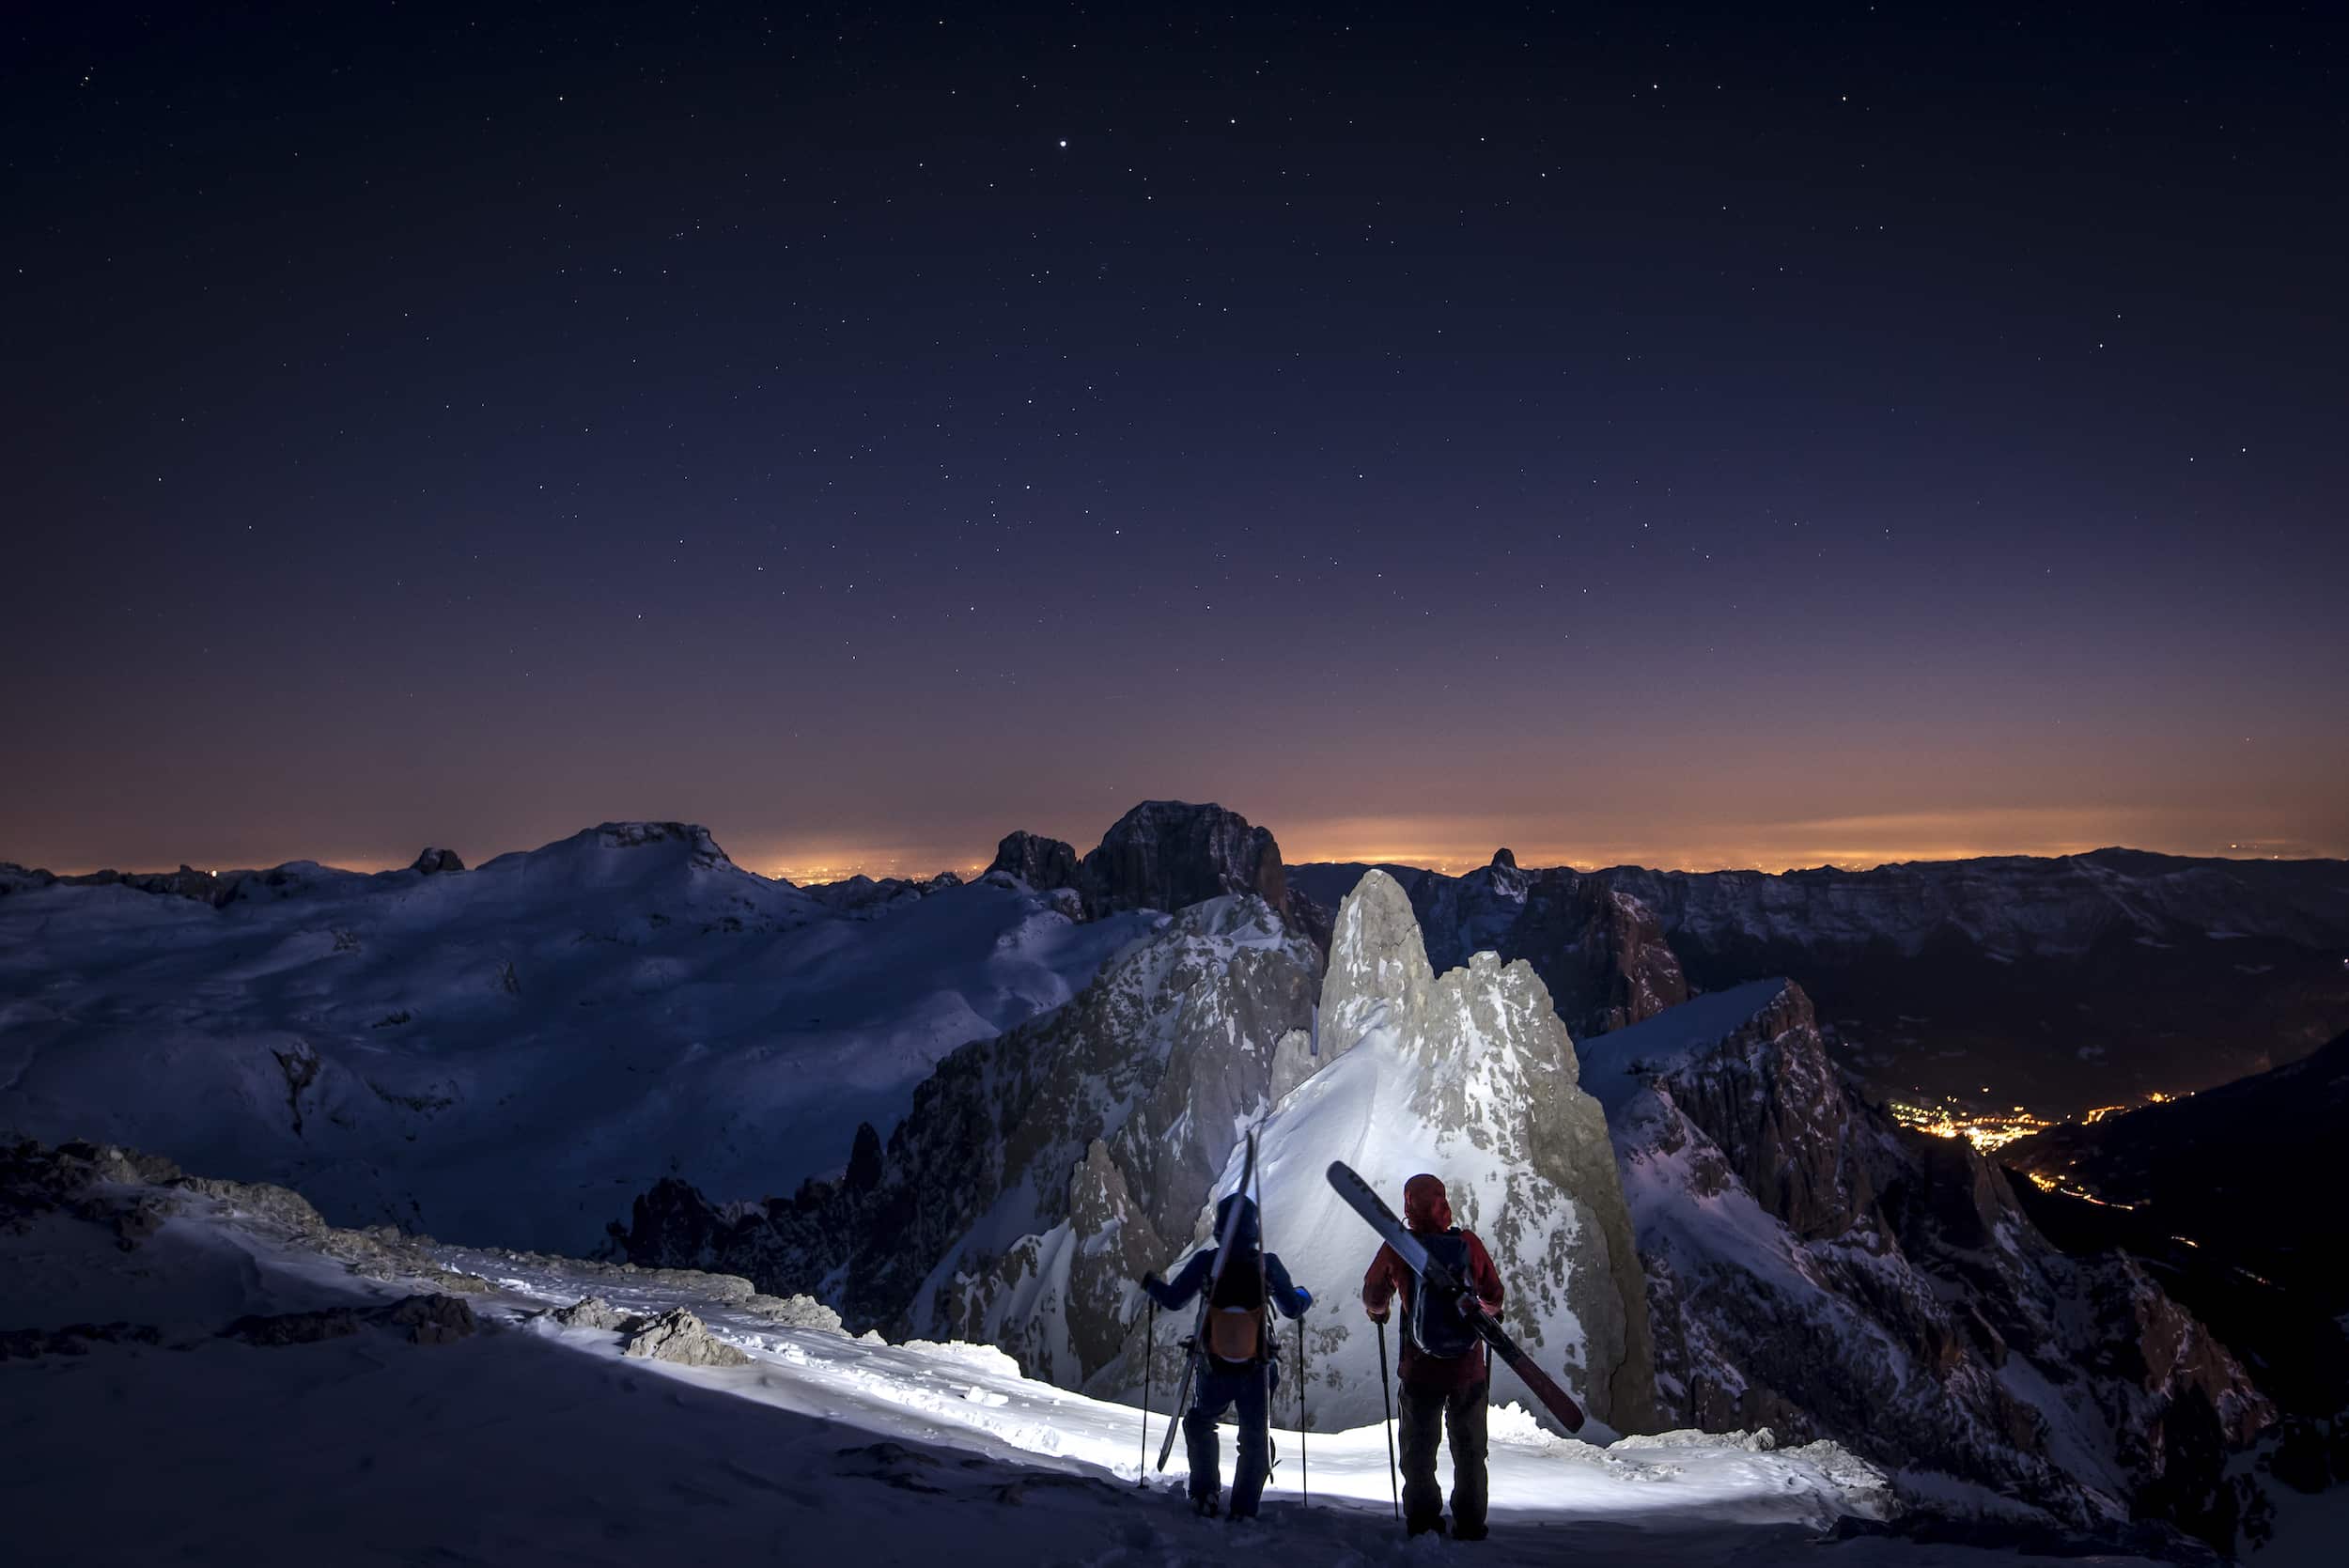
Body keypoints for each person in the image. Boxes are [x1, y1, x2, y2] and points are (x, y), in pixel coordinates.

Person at [1142, 1192, 1313, 1520]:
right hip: (1259, 1369)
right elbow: (1292, 1307)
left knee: (1200, 1421)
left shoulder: (1208, 1262)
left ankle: (1205, 1492)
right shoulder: (1268, 1264)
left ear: (1220, 1229)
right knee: (1254, 1435)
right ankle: (1244, 1508)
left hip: (1214, 1365)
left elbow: (1175, 1300)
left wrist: (1151, 1284)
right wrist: (1304, 1296)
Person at [1361, 1172, 1502, 1541]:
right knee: (1470, 1448)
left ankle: (1423, 1520)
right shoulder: (1467, 1244)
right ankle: (1471, 1522)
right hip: (1468, 1368)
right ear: (1443, 1204)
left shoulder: (1399, 1246)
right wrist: (1485, 1312)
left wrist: (1381, 1312)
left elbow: (1374, 1296)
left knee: (1419, 1448)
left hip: (1420, 1368)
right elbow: (1494, 1294)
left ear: (1408, 1206)